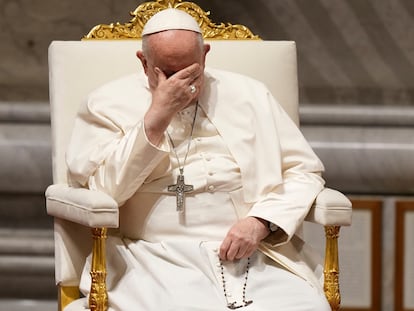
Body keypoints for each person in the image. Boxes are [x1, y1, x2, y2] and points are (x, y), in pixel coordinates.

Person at [66, 8, 331, 311]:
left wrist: (261, 223)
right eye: (167, 73)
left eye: (191, 71)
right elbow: (104, 192)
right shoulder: (106, 103)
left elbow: (304, 171)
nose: (183, 85)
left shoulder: (251, 95)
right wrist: (156, 117)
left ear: (205, 54)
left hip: (250, 256)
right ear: (143, 62)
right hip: (151, 258)